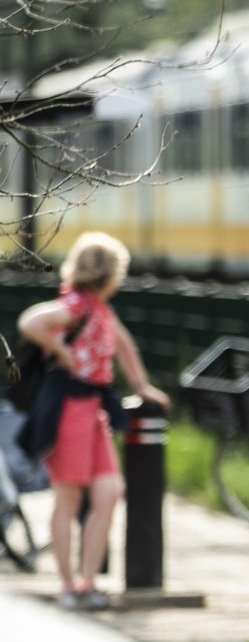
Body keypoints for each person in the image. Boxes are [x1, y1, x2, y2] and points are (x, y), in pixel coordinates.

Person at [17, 232, 170, 610]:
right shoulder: (76, 305)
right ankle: (69, 586)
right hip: (70, 408)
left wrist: (141, 385)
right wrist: (60, 350)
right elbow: (30, 321)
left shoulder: (100, 308)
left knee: (109, 491)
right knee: (68, 497)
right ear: (110, 272)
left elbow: (124, 344)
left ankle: (86, 581)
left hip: (95, 412)